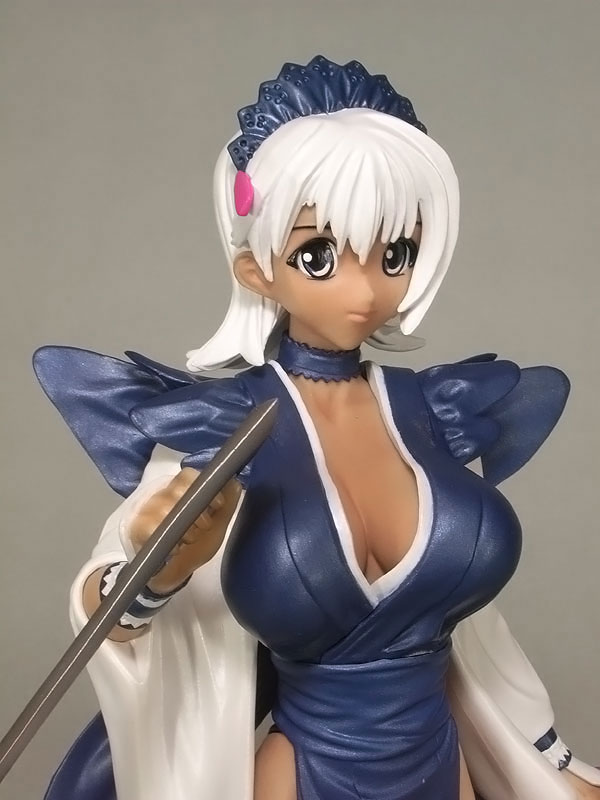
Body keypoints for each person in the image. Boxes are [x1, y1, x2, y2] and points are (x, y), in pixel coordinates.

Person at [35, 56, 599, 800]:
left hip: (442, 766)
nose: (365, 289)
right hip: (303, 777)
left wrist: (547, 765)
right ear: (256, 268)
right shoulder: (225, 427)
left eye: (395, 253)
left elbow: (481, 643)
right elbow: (104, 612)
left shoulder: (437, 414)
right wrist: (155, 570)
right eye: (319, 255)